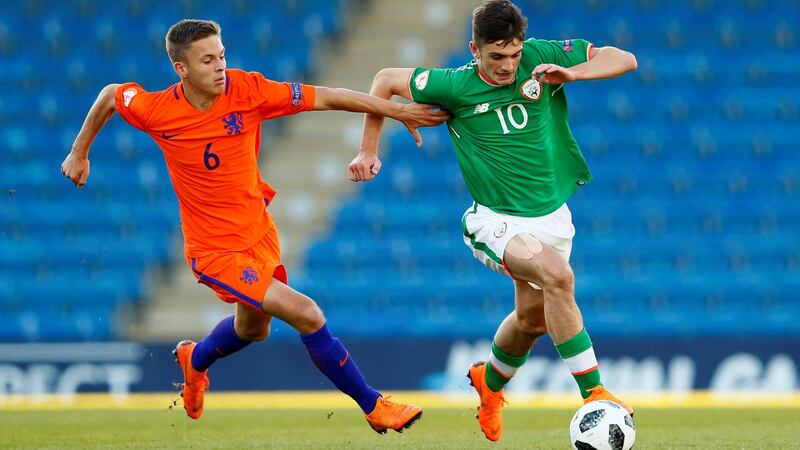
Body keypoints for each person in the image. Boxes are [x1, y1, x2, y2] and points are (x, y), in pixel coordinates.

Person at [61, 19, 448, 433]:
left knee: (252, 329)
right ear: (182, 69)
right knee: (307, 313)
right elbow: (109, 96)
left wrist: (397, 109)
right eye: (207, 60)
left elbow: (328, 97)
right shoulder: (156, 110)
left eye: (222, 56)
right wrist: (79, 151)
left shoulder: (247, 91)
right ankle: (374, 405)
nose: (220, 67)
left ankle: (196, 360)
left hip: (258, 233)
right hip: (214, 252)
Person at [350, 0, 637, 442]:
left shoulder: (542, 58)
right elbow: (385, 81)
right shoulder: (453, 84)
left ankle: (491, 383)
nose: (508, 67)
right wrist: (370, 149)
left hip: (551, 217)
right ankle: (594, 392)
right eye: (496, 56)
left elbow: (624, 58)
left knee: (533, 319)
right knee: (558, 277)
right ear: (474, 49)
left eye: (514, 55)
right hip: (494, 220)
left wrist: (574, 74)